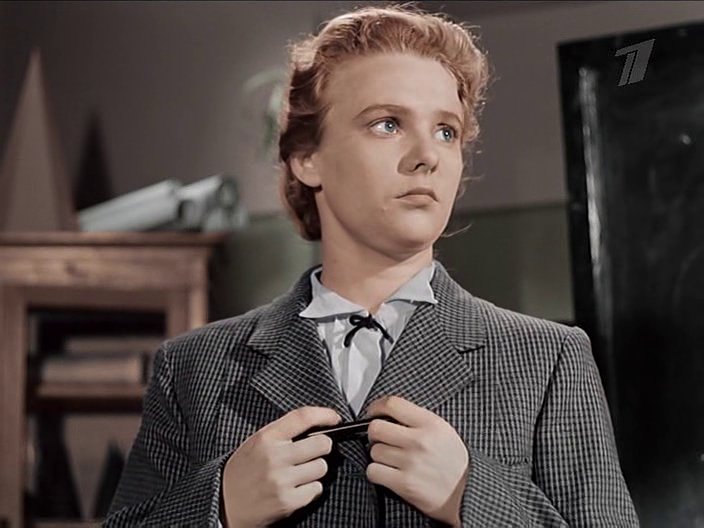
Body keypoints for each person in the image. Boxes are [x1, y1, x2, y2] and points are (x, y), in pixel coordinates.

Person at [105, 3, 639, 527]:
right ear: (307, 158)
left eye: (446, 131)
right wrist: (221, 505)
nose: (427, 155)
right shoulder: (192, 368)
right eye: (387, 124)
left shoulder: (547, 361)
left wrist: (472, 495)